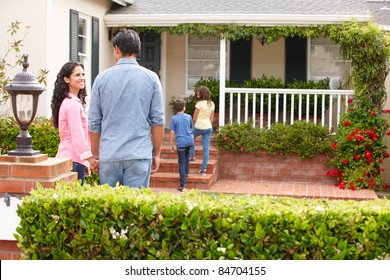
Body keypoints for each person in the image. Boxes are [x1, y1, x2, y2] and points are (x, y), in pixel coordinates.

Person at [88, 29, 165, 188]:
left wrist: (95, 155)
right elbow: (158, 122)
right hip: (139, 153)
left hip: (110, 154)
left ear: (116, 49)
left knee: (110, 209)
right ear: (138, 49)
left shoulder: (102, 79)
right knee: (136, 209)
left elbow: (94, 122)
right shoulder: (151, 78)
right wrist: (157, 154)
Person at [50, 61, 99, 185]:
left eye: (83, 74)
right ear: (66, 79)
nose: (82, 78)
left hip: (68, 160)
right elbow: (78, 137)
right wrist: (91, 160)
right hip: (73, 161)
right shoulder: (72, 105)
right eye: (77, 75)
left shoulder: (70, 102)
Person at [169, 99, 194, 192]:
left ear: (175, 109)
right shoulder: (188, 117)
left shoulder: (174, 118)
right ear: (184, 108)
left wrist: (171, 145)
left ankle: (183, 184)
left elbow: (171, 132)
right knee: (187, 157)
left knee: (181, 162)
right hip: (189, 141)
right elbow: (191, 127)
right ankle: (186, 173)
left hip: (181, 142)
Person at [189, 86, 215, 175]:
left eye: (198, 93)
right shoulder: (212, 104)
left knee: (190, 137)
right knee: (206, 148)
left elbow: (194, 117)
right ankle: (203, 170)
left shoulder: (199, 104)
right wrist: (208, 125)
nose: (197, 94)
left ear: (203, 93)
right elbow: (212, 119)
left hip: (198, 126)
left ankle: (192, 156)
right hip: (208, 127)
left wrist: (192, 125)